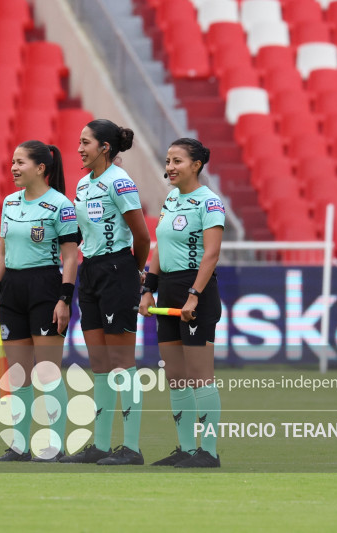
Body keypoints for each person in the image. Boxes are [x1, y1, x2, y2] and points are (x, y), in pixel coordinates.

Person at [59, 119, 151, 465]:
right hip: (92, 271)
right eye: (79, 141)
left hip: (117, 270)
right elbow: (83, 234)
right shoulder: (83, 185)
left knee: (121, 362)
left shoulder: (120, 182)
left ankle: (131, 447)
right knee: (98, 363)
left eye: (86, 142)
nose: (80, 148)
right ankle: (99, 444)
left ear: (105, 148)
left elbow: (141, 236)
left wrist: (135, 270)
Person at [0, 140, 79, 463]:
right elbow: (2, 252)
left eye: (20, 162)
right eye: (13, 162)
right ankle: (19, 446)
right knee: (19, 374)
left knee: (48, 372)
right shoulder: (10, 202)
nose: (13, 168)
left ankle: (54, 445)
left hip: (45, 288)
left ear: (41, 168)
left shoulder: (61, 205)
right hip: (12, 288)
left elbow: (70, 257)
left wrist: (64, 299)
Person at [139, 138, 224, 468]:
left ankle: (210, 452)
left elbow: (211, 254)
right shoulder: (171, 199)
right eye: (168, 160)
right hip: (169, 293)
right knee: (175, 375)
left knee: (201, 375)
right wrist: (148, 289)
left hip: (196, 294)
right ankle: (187, 449)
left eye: (177, 161)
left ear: (196, 165)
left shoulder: (210, 203)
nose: (169, 167)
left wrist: (194, 295)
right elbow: (159, 246)